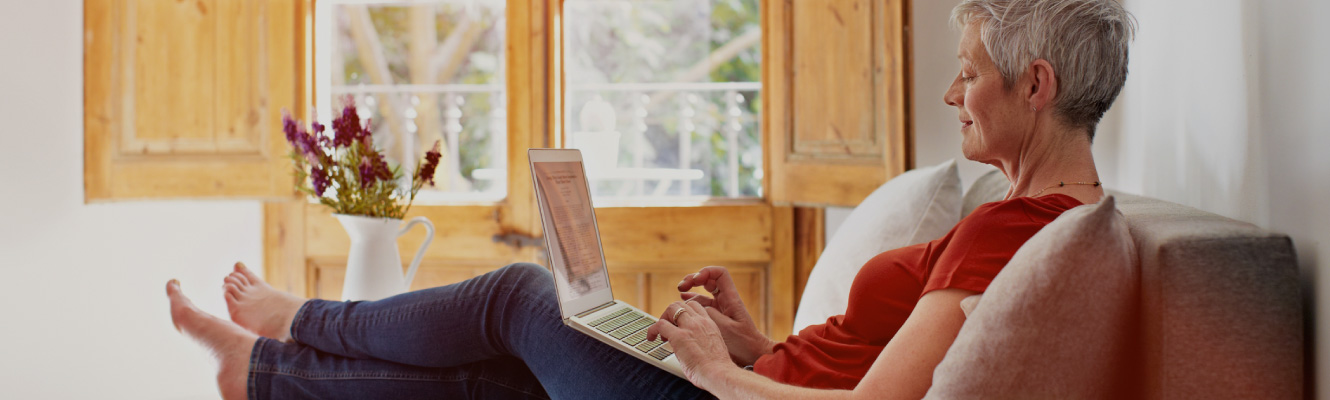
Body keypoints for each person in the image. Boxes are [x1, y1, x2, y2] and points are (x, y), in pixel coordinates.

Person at [166, 0, 1136, 398]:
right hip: (748, 383)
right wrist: (754, 344)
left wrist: (719, 375)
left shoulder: (1025, 231)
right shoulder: (1027, 221)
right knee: (506, 376)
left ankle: (301, 318)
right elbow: (866, 363)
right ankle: (261, 370)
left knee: (517, 296)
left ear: (1036, 86)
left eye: (967, 75)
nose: (950, 96)